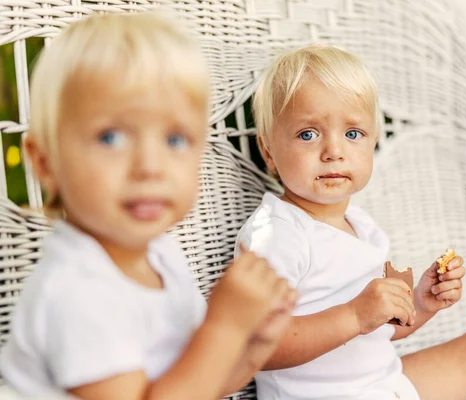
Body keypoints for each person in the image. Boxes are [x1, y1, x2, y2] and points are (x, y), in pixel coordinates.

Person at [235, 44, 466, 400]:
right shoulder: (278, 234)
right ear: (269, 151)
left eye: (352, 134)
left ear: (373, 141)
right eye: (308, 134)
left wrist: (419, 305)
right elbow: (256, 348)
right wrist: (354, 316)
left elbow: (375, 336)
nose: (333, 150)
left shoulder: (361, 226)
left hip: (385, 385)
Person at [0, 12, 296, 400]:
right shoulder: (74, 291)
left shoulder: (161, 256)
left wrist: (252, 346)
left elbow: (197, 384)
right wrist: (225, 327)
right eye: (111, 137)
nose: (150, 167)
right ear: (46, 163)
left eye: (174, 140)